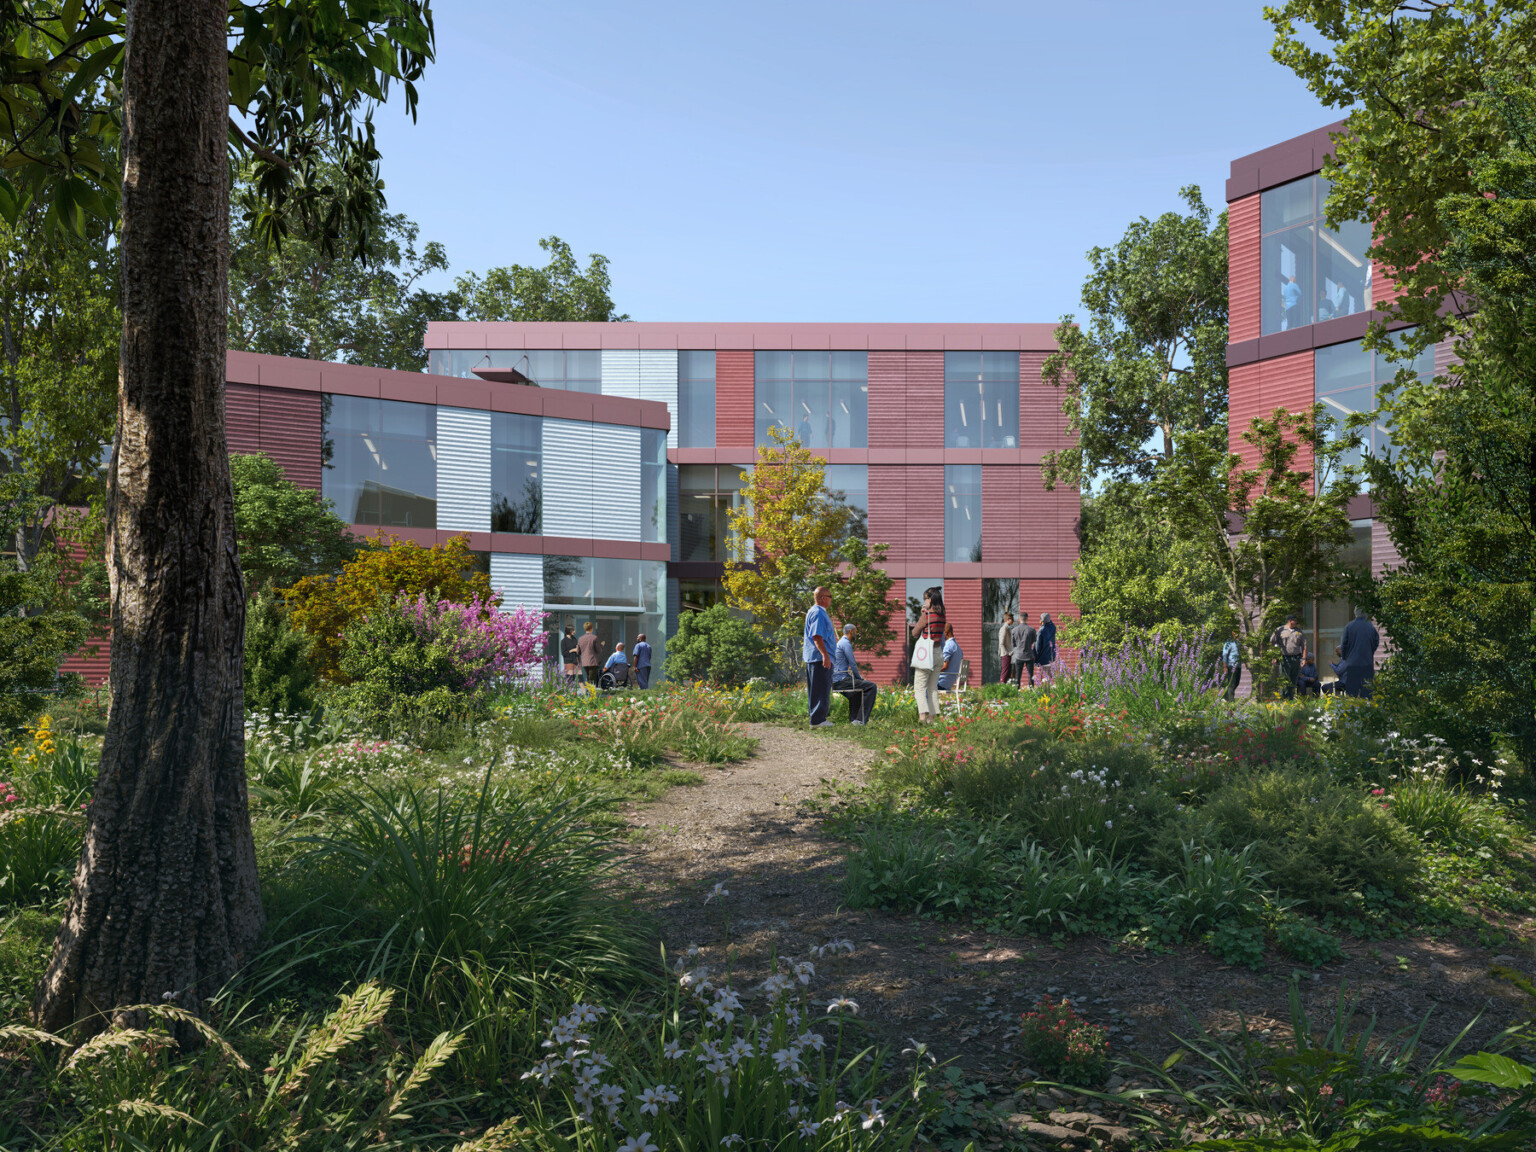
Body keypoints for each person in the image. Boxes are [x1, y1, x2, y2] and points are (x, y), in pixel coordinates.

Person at [910, 586, 945, 723]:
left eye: (926, 599)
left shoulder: (927, 615)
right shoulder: (942, 615)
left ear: (931, 599)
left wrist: (923, 614)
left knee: (919, 687)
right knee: (932, 688)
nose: (924, 601)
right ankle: (932, 718)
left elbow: (914, 633)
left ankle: (922, 718)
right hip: (938, 654)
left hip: (926, 655)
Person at [832, 622, 878, 726]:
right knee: (871, 687)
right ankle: (861, 720)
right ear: (851, 631)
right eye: (856, 631)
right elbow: (852, 664)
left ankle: (855, 721)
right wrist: (859, 678)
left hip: (836, 679)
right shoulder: (845, 643)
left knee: (856, 692)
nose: (857, 634)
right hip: (840, 679)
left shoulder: (840, 642)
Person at [803, 585, 836, 728]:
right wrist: (825, 655)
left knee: (816, 689)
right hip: (819, 658)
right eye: (830, 597)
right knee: (821, 688)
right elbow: (817, 636)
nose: (831, 600)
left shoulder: (813, 611)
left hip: (813, 657)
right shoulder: (819, 613)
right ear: (823, 598)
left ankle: (816, 719)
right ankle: (818, 720)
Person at [1338, 607, 1380, 698]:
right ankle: (1367, 709)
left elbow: (1344, 644)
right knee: (1367, 690)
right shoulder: (1371, 627)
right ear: (1365, 614)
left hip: (1352, 663)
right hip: (1367, 663)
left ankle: (1352, 710)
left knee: (1352, 691)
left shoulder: (1349, 626)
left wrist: (1345, 657)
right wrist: (1370, 652)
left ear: (1355, 613)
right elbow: (1376, 642)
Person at [1269, 614, 1307, 700]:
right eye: (1295, 620)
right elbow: (1272, 643)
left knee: (1294, 680)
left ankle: (1291, 698)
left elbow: (1304, 646)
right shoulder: (1280, 630)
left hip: (1296, 658)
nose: (1297, 622)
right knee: (1285, 679)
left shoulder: (1299, 631)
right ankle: (1283, 699)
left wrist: (1304, 659)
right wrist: (1274, 656)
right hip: (1284, 658)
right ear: (1290, 620)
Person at [1011, 611, 1038, 688]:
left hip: (1019, 655)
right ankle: (1031, 690)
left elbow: (1013, 644)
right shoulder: (1032, 630)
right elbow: (1034, 641)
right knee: (1030, 676)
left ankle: (1017, 692)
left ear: (1019, 619)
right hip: (1029, 655)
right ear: (1027, 619)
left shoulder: (1014, 630)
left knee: (1018, 676)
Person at [938, 622, 963, 694]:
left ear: (946, 633)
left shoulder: (948, 646)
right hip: (950, 682)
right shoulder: (958, 647)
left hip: (942, 683)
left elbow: (945, 666)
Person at [576, 620, 602, 685]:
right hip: (593, 661)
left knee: (589, 678)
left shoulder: (580, 639)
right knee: (592, 680)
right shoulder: (594, 638)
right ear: (592, 628)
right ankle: (591, 694)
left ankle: (589, 693)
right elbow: (599, 650)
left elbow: (578, 652)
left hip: (584, 662)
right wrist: (602, 645)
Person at [1220, 629, 1242, 702]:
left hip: (1238, 666)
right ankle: (1231, 701)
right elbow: (1225, 655)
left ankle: (1224, 698)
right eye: (1236, 632)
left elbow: (1241, 654)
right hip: (1231, 665)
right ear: (1232, 632)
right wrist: (1225, 666)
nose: (1238, 633)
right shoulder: (1228, 643)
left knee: (1236, 683)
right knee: (1231, 683)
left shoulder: (1238, 643)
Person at [997, 611, 1015, 686]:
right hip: (1005, 654)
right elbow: (1001, 643)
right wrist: (1006, 653)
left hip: (1007, 654)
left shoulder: (1007, 629)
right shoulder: (1003, 629)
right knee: (1005, 671)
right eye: (1012, 619)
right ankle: (1002, 686)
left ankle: (1005, 686)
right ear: (1008, 619)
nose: (1013, 621)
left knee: (1007, 671)